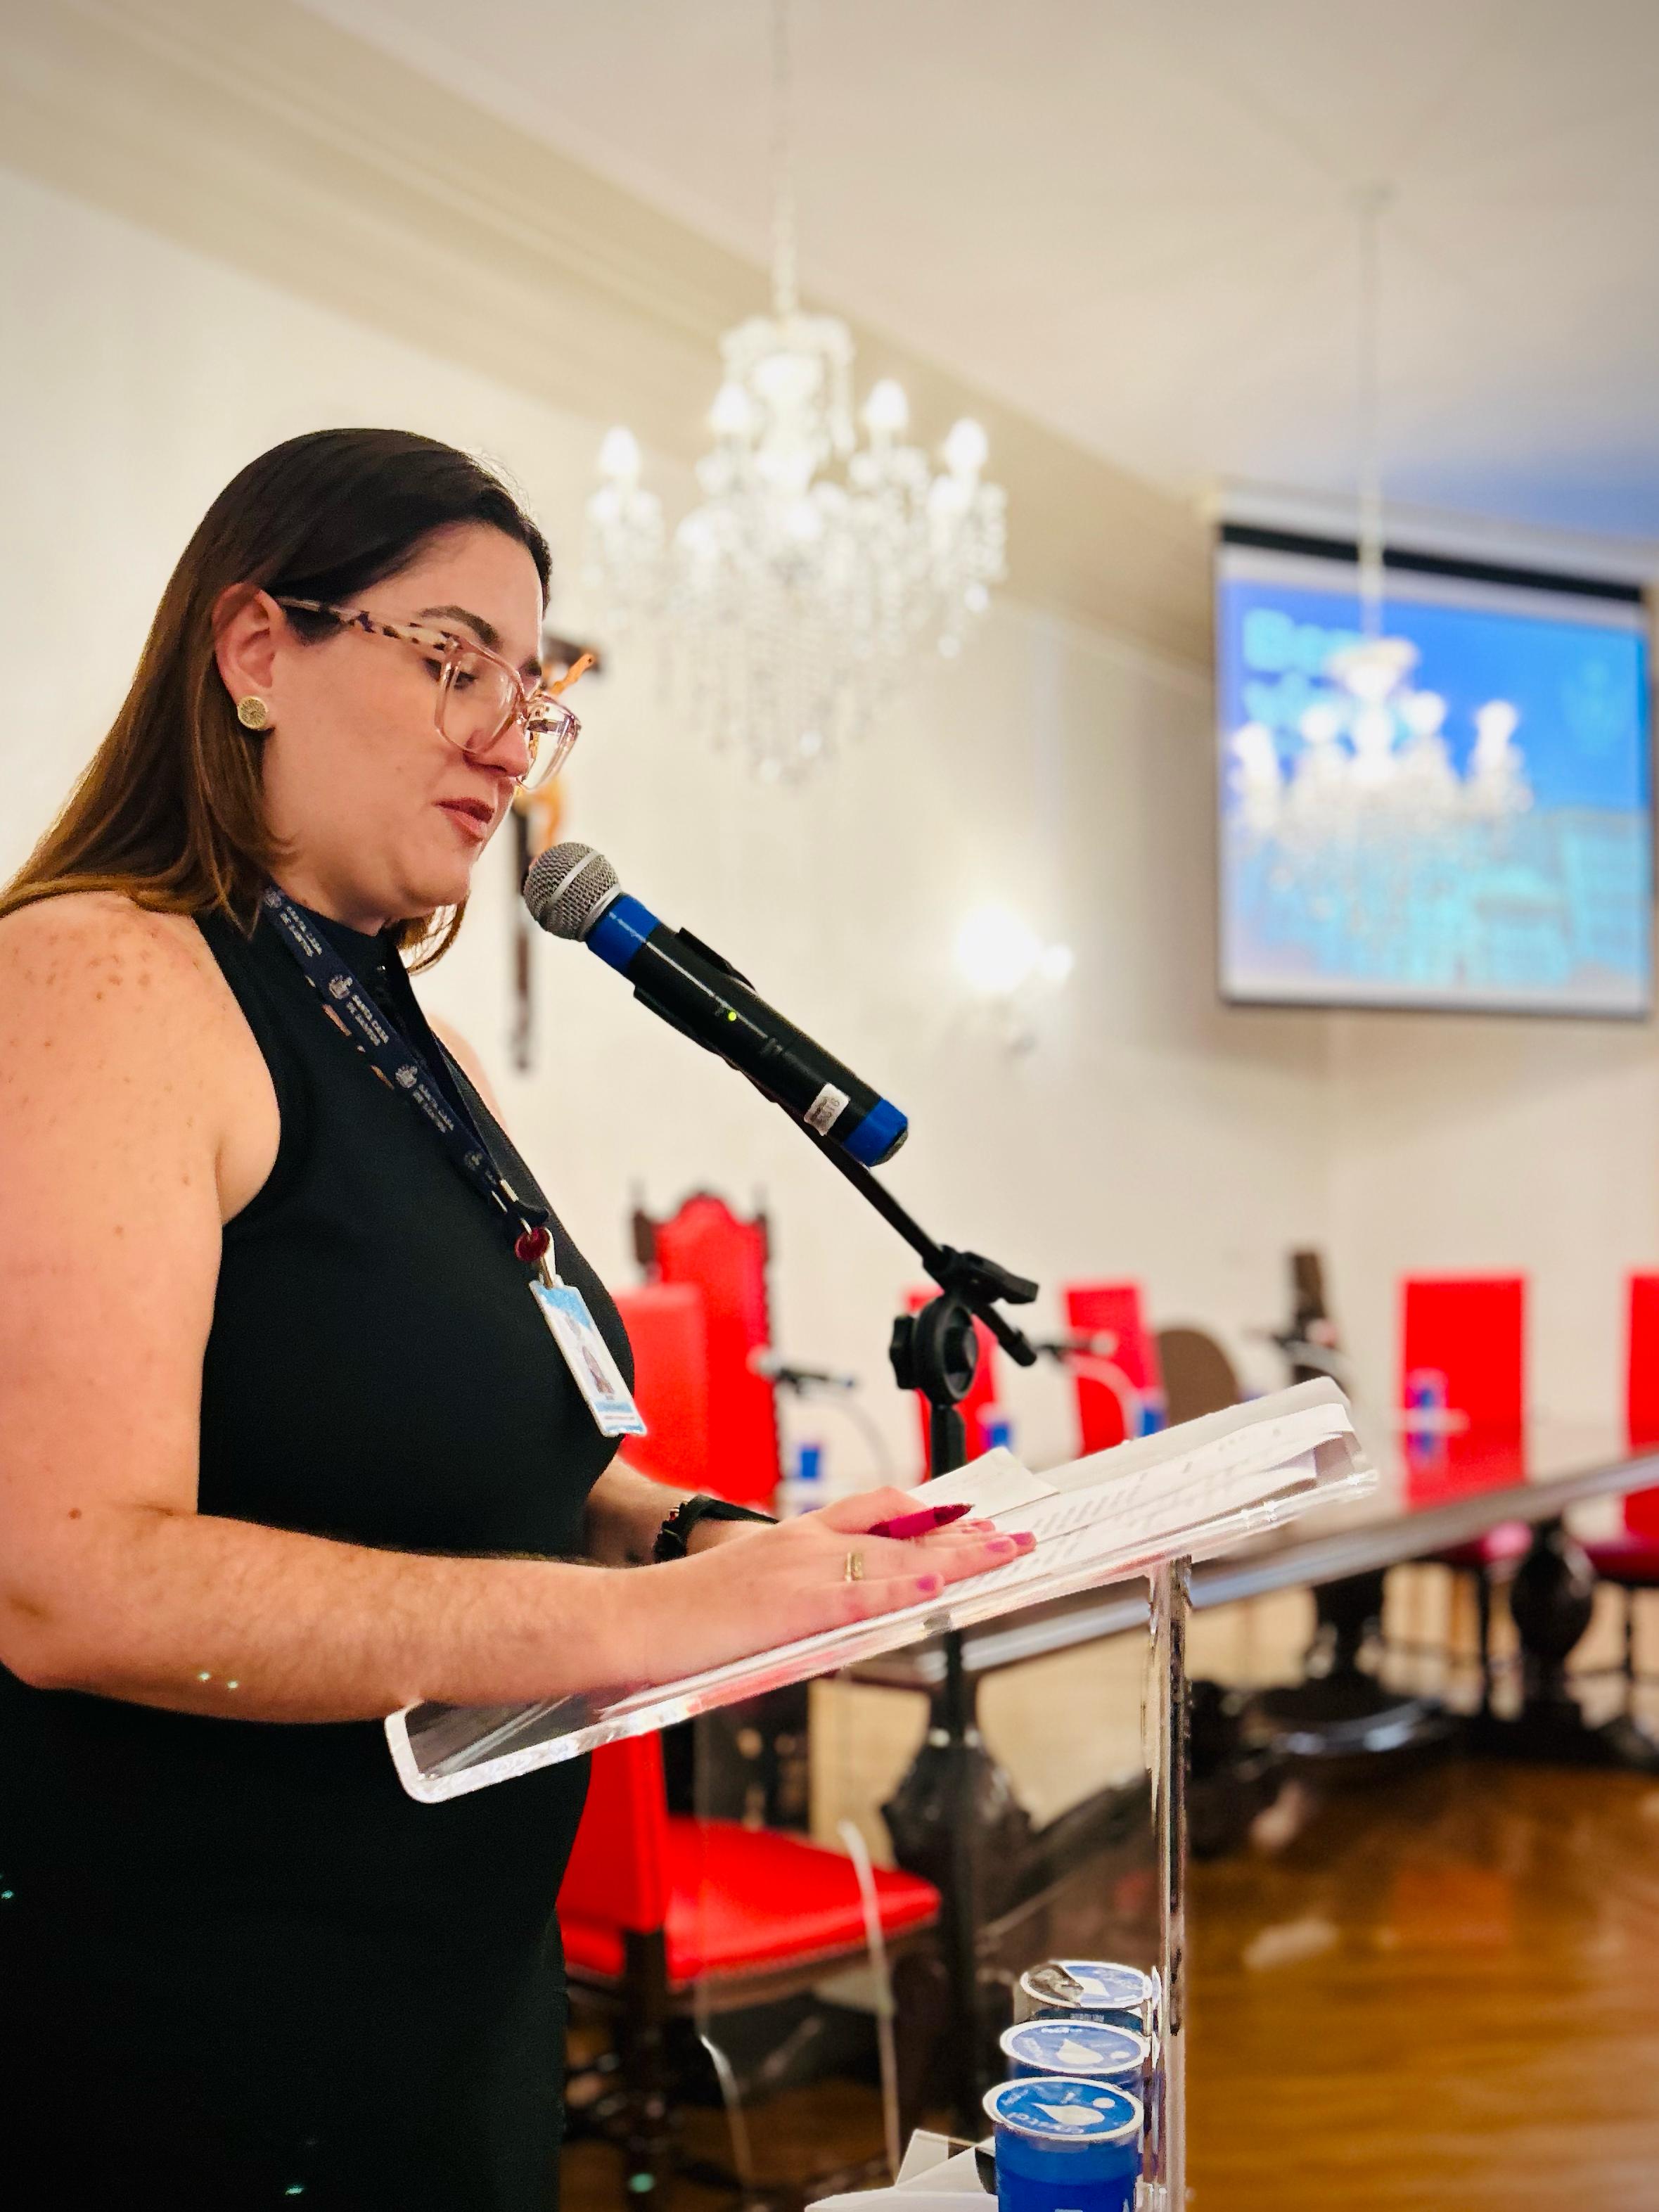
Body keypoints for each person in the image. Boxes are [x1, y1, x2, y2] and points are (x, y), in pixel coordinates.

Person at [0, 428, 1029, 2210]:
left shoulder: (424, 1049)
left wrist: (709, 1538)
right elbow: (69, 1579)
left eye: (531, 693)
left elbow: (490, 1442)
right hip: (203, 2018)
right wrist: (645, 1625)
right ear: (255, 652)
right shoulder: (102, 972)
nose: (506, 737)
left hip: (452, 1978)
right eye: (453, 660)